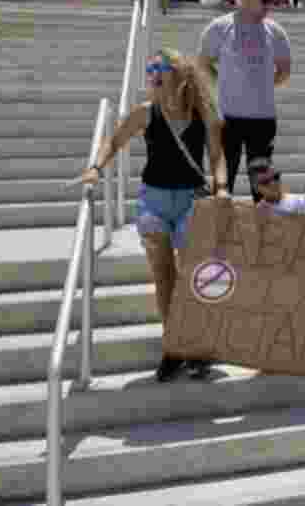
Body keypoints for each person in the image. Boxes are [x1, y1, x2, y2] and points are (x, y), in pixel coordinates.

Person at [79, 49, 228, 381]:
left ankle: (197, 344)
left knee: (193, 277)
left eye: (158, 69)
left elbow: (217, 156)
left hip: (192, 199)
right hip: (154, 201)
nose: (152, 76)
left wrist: (221, 186)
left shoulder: (203, 112)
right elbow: (113, 141)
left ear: (178, 74)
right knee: (164, 277)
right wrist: (95, 168)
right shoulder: (146, 112)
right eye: (150, 71)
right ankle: (174, 346)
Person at [198, 0, 292, 201]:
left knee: (263, 188)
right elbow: (202, 64)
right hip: (227, 118)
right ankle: (220, 233)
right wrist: (223, 82)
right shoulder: (220, 28)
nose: (268, 7)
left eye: (271, 1)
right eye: (264, 0)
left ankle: (263, 234)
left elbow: (284, 71)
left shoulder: (276, 32)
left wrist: (260, 85)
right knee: (222, 183)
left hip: (263, 120)